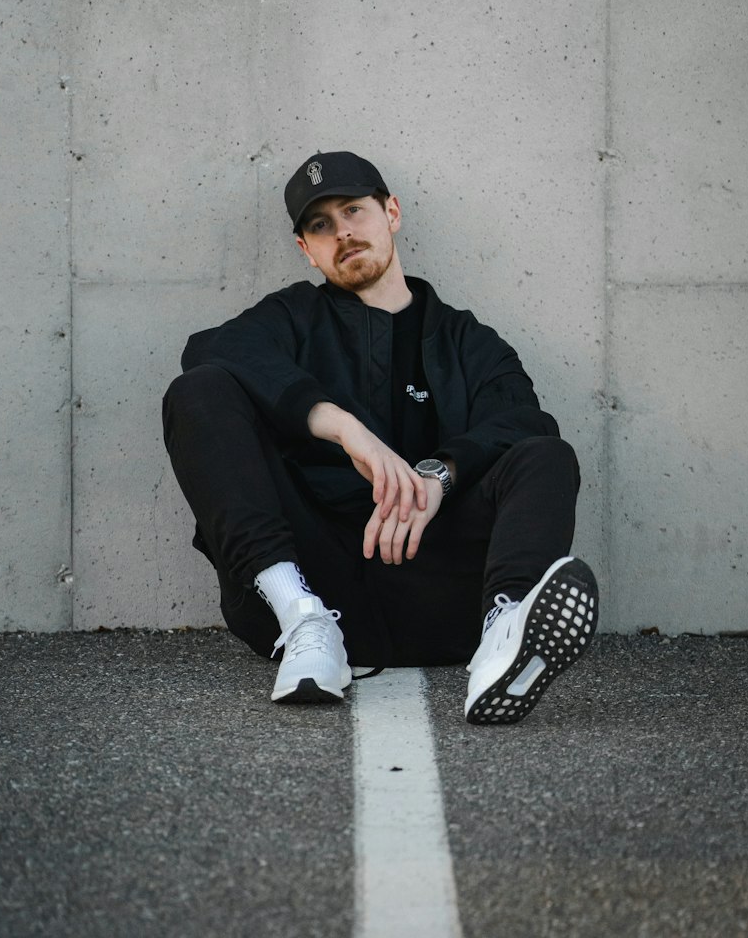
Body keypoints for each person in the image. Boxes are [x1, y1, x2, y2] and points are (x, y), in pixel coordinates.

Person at [162, 151, 597, 725]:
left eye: (354, 211)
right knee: (198, 391)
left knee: (547, 455)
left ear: (390, 212)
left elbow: (525, 422)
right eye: (320, 225)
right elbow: (212, 350)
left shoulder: (468, 340)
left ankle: (505, 634)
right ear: (306, 250)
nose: (342, 232)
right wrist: (341, 426)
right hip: (317, 576)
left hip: (440, 584)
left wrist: (440, 475)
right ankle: (303, 621)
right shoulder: (291, 317)